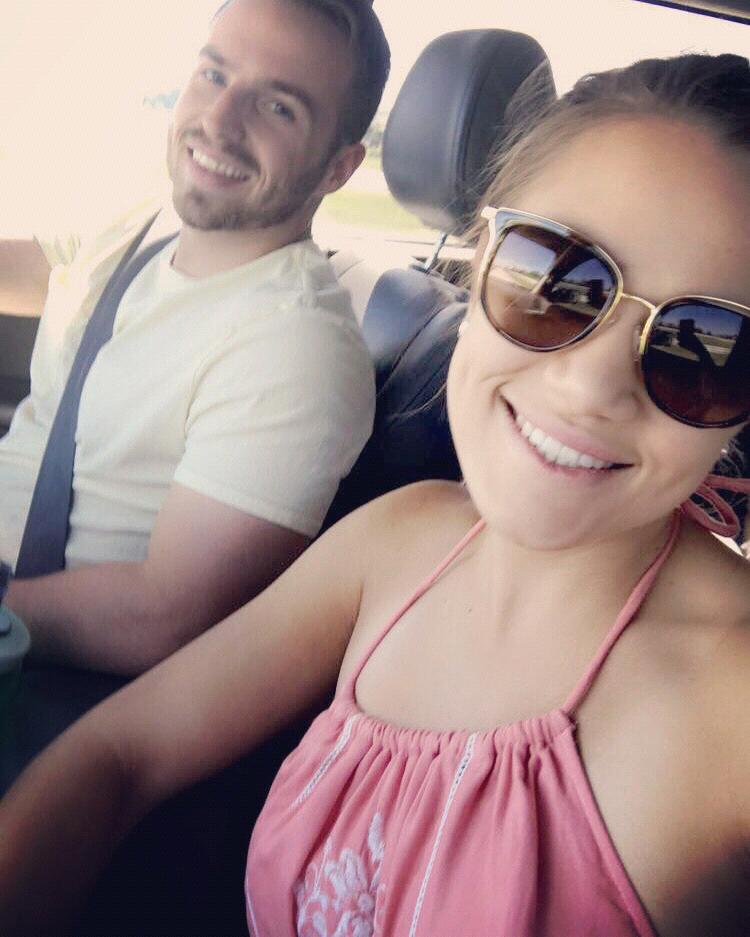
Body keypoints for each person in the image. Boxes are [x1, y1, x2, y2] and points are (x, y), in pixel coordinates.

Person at [1, 51, 750, 937]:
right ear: (480, 258)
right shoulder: (397, 541)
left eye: (707, 348)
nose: (592, 387)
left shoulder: (729, 697)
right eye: (554, 280)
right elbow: (120, 751)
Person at [0, 0, 390, 675]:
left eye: (278, 107)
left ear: (338, 168)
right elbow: (37, 267)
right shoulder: (147, 221)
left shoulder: (295, 348)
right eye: (214, 75)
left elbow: (161, 618)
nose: (219, 120)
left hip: (40, 666)